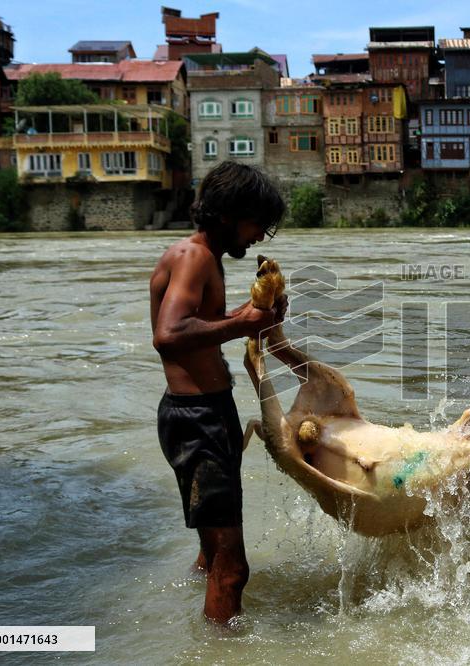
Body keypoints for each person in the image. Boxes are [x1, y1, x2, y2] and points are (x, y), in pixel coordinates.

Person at [149, 161, 287, 623]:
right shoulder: (194, 257)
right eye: (256, 224)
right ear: (229, 213)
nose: (257, 237)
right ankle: (219, 647)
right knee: (232, 568)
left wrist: (253, 314)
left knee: (213, 555)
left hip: (206, 413)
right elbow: (169, 334)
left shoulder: (202, 257)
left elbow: (202, 320)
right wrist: (241, 323)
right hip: (196, 420)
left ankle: (190, 620)